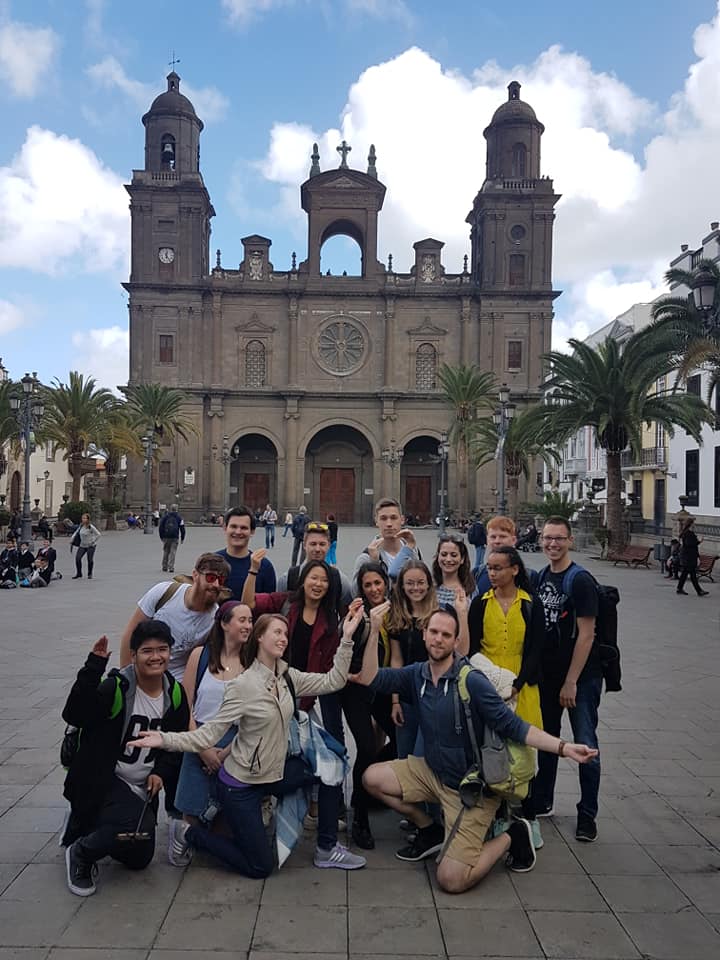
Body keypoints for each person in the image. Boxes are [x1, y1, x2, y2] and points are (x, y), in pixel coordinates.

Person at [356, 606, 598, 893]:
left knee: (451, 879)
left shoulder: (471, 681)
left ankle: (513, 835)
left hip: (470, 788)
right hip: (432, 773)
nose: (438, 639)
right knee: (371, 778)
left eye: (446, 635)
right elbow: (371, 677)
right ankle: (429, 828)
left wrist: (563, 747)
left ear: (457, 641)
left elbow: (514, 726)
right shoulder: (417, 675)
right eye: (433, 632)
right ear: (424, 635)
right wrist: (373, 630)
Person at [128, 608, 368, 876]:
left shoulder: (288, 677)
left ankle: (326, 848)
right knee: (260, 867)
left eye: (285, 633)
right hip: (240, 785)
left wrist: (347, 637)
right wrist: (163, 738)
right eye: (277, 632)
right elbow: (208, 735)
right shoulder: (243, 685)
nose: (283, 638)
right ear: (260, 638)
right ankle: (188, 834)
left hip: (273, 773)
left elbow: (333, 681)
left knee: (330, 769)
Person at [61, 623, 190, 897]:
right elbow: (75, 714)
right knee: (133, 825)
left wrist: (160, 773)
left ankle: (92, 823)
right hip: (106, 777)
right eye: (147, 651)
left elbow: (174, 745)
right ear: (133, 655)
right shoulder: (117, 688)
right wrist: (93, 668)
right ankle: (81, 853)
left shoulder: (175, 695)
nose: (156, 657)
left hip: (143, 785)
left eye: (162, 650)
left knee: (139, 857)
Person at [468, 544, 545, 846]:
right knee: (492, 751)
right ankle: (499, 815)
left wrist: (517, 683)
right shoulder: (480, 604)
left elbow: (536, 650)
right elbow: (473, 647)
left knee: (525, 754)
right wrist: (491, 682)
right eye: (489, 568)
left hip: (523, 688)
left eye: (498, 567)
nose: (492, 573)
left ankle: (530, 817)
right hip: (487, 685)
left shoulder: (530, 604)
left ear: (515, 569)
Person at [169, 601, 254, 865]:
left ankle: (203, 836)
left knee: (226, 825)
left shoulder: (253, 661)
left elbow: (255, 717)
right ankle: (183, 834)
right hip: (200, 737)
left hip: (236, 742)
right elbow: (187, 706)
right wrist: (202, 748)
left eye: (250, 620)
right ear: (224, 623)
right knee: (192, 808)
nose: (248, 626)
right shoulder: (200, 656)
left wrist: (226, 752)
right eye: (242, 620)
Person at [533, 516, 601, 842]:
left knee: (586, 744)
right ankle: (543, 799)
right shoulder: (543, 575)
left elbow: (587, 635)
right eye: (548, 538)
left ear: (570, 540)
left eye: (559, 538)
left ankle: (587, 815)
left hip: (580, 680)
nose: (552, 544)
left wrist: (571, 681)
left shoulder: (581, 581)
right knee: (549, 742)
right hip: (549, 678)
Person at [242, 553, 345, 746]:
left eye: (324, 580)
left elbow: (326, 667)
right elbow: (249, 604)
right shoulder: (285, 602)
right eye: (314, 578)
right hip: (269, 687)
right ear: (303, 580)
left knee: (310, 750)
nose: (318, 584)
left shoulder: (329, 620)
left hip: (300, 695)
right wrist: (253, 570)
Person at [342, 562, 395, 849]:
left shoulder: (395, 611)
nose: (374, 589)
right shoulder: (357, 613)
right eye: (368, 585)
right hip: (356, 688)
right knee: (364, 746)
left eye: (378, 583)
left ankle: (368, 786)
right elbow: (344, 645)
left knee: (402, 739)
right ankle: (360, 817)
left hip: (384, 687)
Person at [119, 552, 231, 682]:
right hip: (143, 674)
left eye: (221, 580)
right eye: (211, 578)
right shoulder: (165, 592)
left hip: (176, 683)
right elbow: (130, 634)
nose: (216, 584)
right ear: (195, 575)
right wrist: (126, 677)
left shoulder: (214, 617)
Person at [386, 561, 438, 766]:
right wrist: (395, 701)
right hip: (407, 695)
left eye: (420, 583)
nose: (415, 588)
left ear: (428, 584)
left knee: (425, 757)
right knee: (404, 757)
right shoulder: (397, 616)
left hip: (433, 696)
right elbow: (396, 659)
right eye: (410, 583)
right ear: (402, 586)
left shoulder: (439, 615)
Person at [276, 521, 353, 612]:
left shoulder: (341, 581)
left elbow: (347, 615)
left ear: (329, 546)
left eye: (322, 544)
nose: (317, 549)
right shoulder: (287, 579)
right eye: (313, 544)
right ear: (304, 545)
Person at [216, 506, 276, 601]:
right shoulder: (213, 562)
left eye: (243, 528)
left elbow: (268, 607)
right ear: (225, 528)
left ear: (252, 532)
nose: (238, 532)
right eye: (233, 526)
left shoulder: (264, 567)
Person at [353, 497, 419, 582]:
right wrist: (374, 564)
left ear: (402, 520)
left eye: (393, 518)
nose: (389, 524)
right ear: (376, 521)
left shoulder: (413, 551)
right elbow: (356, 592)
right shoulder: (365, 558)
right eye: (383, 518)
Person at [432, 534, 477, 607]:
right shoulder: (429, 586)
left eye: (454, 555)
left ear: (462, 559)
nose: (448, 559)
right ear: (438, 557)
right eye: (444, 554)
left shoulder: (471, 589)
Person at [677, 517, 709, 597]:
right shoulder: (689, 533)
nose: (694, 525)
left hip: (687, 556)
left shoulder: (686, 532)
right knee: (692, 575)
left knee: (686, 574)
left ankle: (680, 588)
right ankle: (699, 591)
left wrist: (697, 542)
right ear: (690, 524)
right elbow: (689, 544)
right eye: (693, 523)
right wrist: (698, 542)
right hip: (689, 557)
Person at [71, 513, 101, 580]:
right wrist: (72, 539)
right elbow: (76, 532)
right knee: (78, 558)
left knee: (90, 560)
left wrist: (93, 541)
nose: (83, 519)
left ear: (88, 519)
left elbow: (98, 534)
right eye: (82, 518)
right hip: (82, 545)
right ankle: (79, 573)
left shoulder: (91, 527)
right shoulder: (81, 526)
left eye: (85, 518)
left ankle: (90, 573)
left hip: (91, 546)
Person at [159, 503, 185, 573]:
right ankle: (171, 567)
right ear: (177, 509)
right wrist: (182, 538)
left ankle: (164, 566)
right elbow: (182, 529)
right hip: (174, 537)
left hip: (166, 536)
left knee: (166, 551)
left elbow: (161, 527)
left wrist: (161, 536)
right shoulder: (179, 518)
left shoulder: (165, 517)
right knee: (173, 552)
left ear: (171, 509)